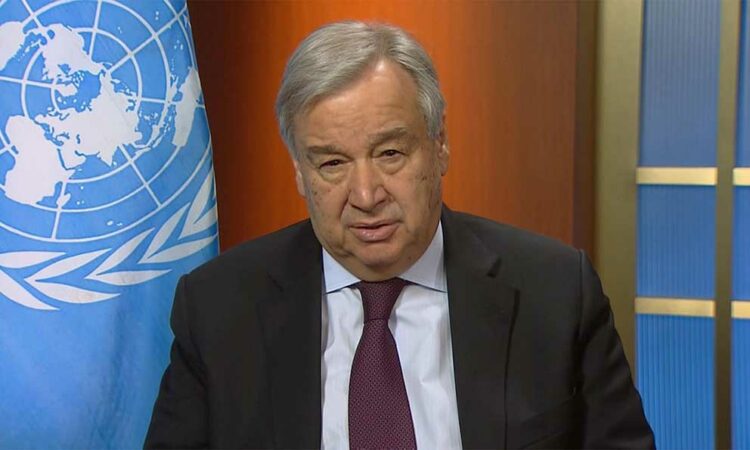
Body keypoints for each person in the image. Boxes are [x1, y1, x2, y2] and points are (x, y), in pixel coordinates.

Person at [145, 21, 654, 449]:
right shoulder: (218, 309)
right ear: (299, 171)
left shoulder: (555, 292)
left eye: (390, 154)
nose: (366, 195)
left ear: (439, 145)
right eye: (332, 163)